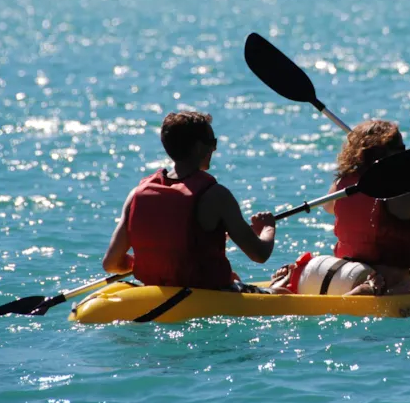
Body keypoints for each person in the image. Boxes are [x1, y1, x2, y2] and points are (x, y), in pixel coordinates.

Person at [273, 120, 410, 296]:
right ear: (386, 156)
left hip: (349, 275)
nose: (406, 153)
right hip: (394, 286)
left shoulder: (340, 186)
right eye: (400, 149)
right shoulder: (406, 197)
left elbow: (330, 209)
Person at [103, 111, 289, 294]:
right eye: (212, 143)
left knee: (236, 278)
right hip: (207, 294)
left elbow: (111, 263)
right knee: (285, 293)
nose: (214, 149)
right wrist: (267, 228)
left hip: (155, 292)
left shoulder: (136, 194)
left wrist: (152, 261)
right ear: (200, 147)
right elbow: (259, 254)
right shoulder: (216, 196)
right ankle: (278, 284)